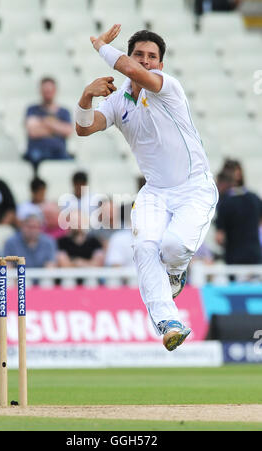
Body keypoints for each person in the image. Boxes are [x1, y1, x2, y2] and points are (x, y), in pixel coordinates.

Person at [75, 25, 218, 351]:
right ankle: (168, 322)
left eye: (152, 57)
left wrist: (100, 46)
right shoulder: (119, 101)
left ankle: (177, 271)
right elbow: (84, 129)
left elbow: (126, 68)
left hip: (194, 189)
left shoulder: (168, 88)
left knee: (173, 247)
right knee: (143, 249)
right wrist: (86, 95)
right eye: (139, 54)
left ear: (161, 65)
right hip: (155, 192)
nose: (145, 61)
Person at [24, 77, 74, 173]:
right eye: (45, 91)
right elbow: (32, 132)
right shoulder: (32, 109)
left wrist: (45, 123)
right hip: (38, 153)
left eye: (50, 90)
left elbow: (68, 131)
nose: (47, 93)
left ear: (55, 91)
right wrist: (57, 129)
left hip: (59, 153)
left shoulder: (64, 112)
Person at [215, 167, 262, 265]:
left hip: (233, 258)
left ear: (223, 183)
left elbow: (219, 238)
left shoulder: (224, 202)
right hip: (255, 255)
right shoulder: (255, 197)